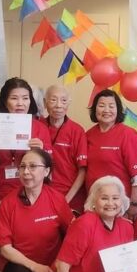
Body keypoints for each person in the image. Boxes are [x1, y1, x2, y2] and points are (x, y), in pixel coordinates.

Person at [0, 77, 52, 219]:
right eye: (14, 98)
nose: (20, 103)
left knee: (26, 239)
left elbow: (48, 168)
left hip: (30, 194)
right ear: (5, 101)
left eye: (25, 98)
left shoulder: (40, 128)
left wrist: (41, 151)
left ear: (30, 101)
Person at [85, 90, 137, 220]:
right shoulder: (88, 135)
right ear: (94, 109)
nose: (106, 110)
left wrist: (134, 203)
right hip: (94, 204)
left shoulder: (128, 135)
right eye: (101, 105)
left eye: (111, 106)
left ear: (118, 110)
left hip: (120, 206)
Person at [43, 85, 88, 213]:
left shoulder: (77, 131)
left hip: (71, 197)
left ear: (69, 104)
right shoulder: (38, 126)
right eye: (53, 100)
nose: (58, 105)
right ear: (45, 103)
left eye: (63, 101)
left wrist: (66, 199)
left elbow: (82, 170)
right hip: (42, 196)